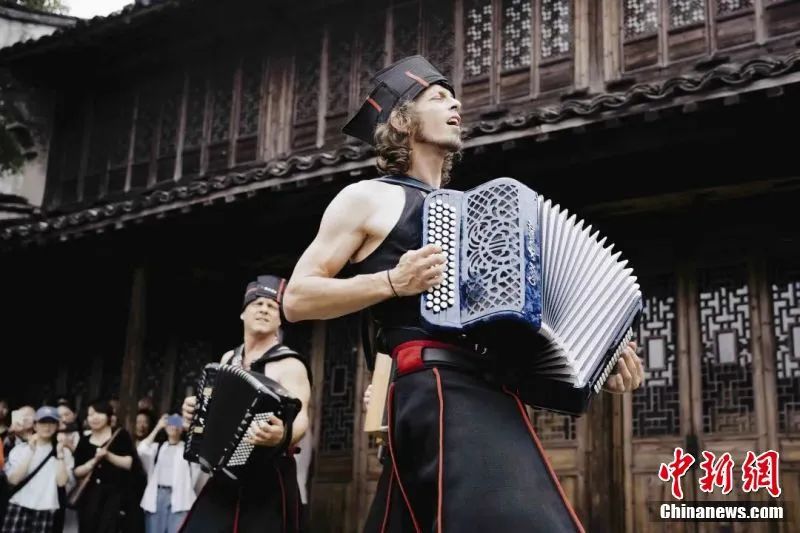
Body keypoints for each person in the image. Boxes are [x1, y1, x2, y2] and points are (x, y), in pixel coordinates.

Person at [283, 55, 645, 532]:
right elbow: (297, 299)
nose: (455, 104)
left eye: (454, 98)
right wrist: (391, 282)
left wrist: (597, 363)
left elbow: (523, 326)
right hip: (436, 386)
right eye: (438, 97)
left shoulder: (479, 219)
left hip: (487, 388)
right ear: (402, 120)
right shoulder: (366, 197)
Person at [179, 275, 312, 532]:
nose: (264, 309)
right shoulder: (229, 359)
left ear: (280, 320)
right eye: (257, 304)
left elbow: (302, 417)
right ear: (242, 314)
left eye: (272, 306)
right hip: (225, 475)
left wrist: (283, 435)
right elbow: (214, 412)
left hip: (268, 478)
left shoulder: (290, 364)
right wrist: (194, 414)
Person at [1, 406, 73, 533]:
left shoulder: (63, 452)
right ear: (35, 425)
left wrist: (60, 454)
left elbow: (61, 482)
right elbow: (13, 480)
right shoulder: (20, 449)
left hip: (46, 507)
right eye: (42, 422)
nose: (47, 427)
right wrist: (31, 451)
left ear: (57, 426)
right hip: (19, 504)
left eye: (51, 423)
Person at [73, 399, 136, 533]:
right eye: (90, 414)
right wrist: (92, 463)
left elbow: (129, 463)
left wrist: (108, 455)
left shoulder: (120, 435)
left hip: (114, 496)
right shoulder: (84, 441)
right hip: (89, 495)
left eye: (99, 413)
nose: (94, 418)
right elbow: (77, 471)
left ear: (108, 415)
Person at [138, 414, 200, 533]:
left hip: (181, 498)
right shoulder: (158, 448)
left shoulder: (187, 450)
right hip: (157, 496)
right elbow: (141, 450)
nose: (174, 426)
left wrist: (190, 429)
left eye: (177, 423)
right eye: (171, 423)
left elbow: (199, 463)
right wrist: (158, 427)